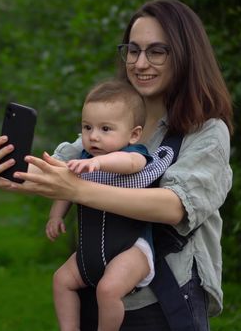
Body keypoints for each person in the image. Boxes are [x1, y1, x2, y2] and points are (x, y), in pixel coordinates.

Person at [0, 0, 233, 330]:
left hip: (163, 304)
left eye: (157, 51)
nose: (140, 63)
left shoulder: (207, 130)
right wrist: (9, 170)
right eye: (133, 50)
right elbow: (58, 170)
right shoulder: (113, 121)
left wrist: (78, 189)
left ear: (185, 55)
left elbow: (175, 206)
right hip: (96, 296)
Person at [47, 79, 160, 331]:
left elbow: (129, 164)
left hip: (132, 248)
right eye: (87, 127)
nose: (93, 136)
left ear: (133, 134)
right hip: (91, 248)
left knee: (108, 290)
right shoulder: (83, 159)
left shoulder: (135, 153)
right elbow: (64, 189)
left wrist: (99, 164)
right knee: (61, 280)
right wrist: (56, 216)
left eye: (105, 129)